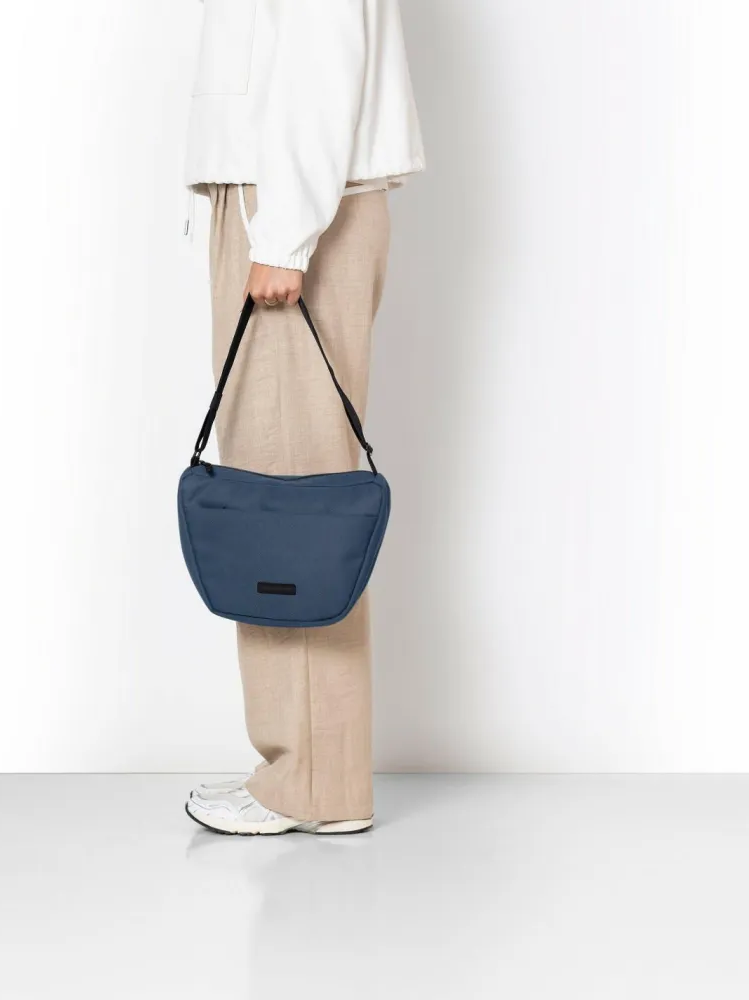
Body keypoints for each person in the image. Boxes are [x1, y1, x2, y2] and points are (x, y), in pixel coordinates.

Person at [182, 0, 425, 835]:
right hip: (282, 201)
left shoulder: (287, 224)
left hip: (290, 210)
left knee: (287, 502)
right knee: (283, 489)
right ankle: (310, 771)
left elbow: (322, 54)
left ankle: (311, 783)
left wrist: (282, 237)